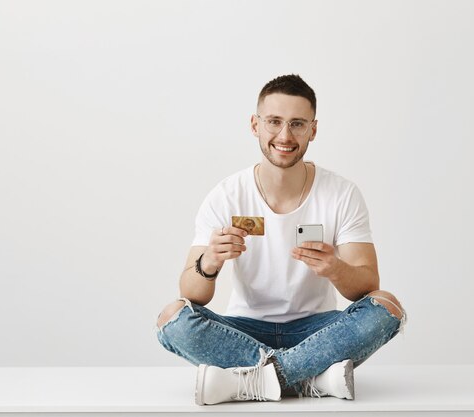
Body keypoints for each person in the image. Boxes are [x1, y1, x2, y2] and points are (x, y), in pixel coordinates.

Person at [156, 74, 406, 405]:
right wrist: (210, 262)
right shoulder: (226, 195)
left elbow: (367, 285)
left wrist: (335, 268)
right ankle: (308, 377)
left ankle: (250, 381)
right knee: (171, 318)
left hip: (318, 331)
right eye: (274, 122)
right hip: (243, 329)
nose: (285, 135)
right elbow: (191, 294)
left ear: (313, 130)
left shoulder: (341, 193)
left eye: (298, 124)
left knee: (387, 307)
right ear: (255, 125)